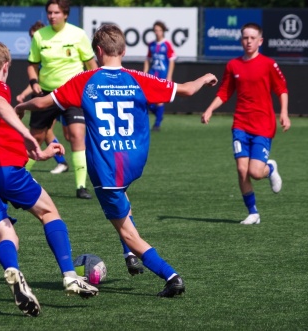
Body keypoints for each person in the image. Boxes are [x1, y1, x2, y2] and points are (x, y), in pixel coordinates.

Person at [16, 24, 218, 297]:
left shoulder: (84, 81)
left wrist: (21, 106)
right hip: (134, 160)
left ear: (97, 51)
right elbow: (187, 90)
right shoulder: (139, 78)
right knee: (123, 201)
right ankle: (129, 256)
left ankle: (171, 276)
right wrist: (205, 77)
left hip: (106, 167)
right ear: (123, 50)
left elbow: (43, 104)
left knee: (127, 233)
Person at [0, 40, 98, 317]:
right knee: (49, 212)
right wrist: (28, 134)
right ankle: (69, 275)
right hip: (3, 170)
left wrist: (37, 154)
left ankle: (13, 270)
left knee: (5, 234)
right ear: (5, 67)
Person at [201, 22, 291, 225]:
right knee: (242, 170)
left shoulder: (268, 64)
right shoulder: (233, 65)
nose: (248, 41)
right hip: (240, 124)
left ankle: (270, 167)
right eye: (245, 38)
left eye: (252, 38)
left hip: (263, 125)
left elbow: (281, 89)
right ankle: (253, 213)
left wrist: (284, 113)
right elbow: (225, 91)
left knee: (255, 173)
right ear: (241, 40)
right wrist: (209, 109)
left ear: (260, 41)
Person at [26, 0, 98, 199]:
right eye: (49, 12)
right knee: (36, 138)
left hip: (73, 94)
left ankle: (81, 186)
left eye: (56, 12)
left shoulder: (78, 34)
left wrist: (95, 87)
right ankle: (19, 176)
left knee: (76, 135)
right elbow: (32, 64)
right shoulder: (40, 36)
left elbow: (91, 64)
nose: (52, 16)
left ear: (65, 14)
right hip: (46, 95)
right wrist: (34, 82)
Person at [17, 20, 69, 175]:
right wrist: (26, 93)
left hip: (52, 97)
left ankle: (61, 162)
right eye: (32, 37)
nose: (34, 40)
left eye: (35, 37)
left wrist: (25, 94)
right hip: (43, 97)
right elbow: (36, 81)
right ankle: (61, 162)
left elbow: (38, 80)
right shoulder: (37, 54)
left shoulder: (49, 55)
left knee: (60, 134)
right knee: (46, 132)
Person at [143, 20, 176, 132]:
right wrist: (144, 73)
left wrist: (169, 76)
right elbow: (147, 59)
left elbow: (171, 61)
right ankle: (159, 115)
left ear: (163, 31)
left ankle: (157, 124)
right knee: (147, 99)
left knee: (159, 100)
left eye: (159, 30)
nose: (157, 32)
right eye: (156, 30)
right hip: (153, 74)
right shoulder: (151, 45)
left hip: (162, 74)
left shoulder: (166, 44)